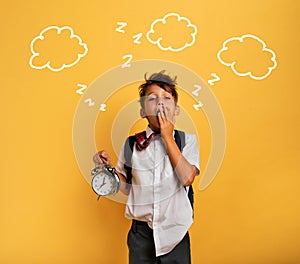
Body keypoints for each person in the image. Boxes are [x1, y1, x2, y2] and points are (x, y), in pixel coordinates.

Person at [93, 70, 200, 264]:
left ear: (176, 109)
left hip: (175, 230)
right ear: (143, 111)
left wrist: (168, 136)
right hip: (140, 233)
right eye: (152, 99)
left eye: (167, 98)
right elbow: (126, 188)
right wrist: (107, 171)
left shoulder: (187, 140)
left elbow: (187, 178)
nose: (160, 103)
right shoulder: (132, 143)